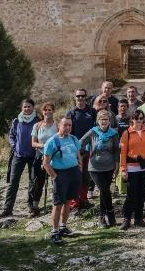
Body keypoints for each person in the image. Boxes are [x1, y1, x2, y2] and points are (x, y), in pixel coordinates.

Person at [42, 116, 82, 244]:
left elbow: (78, 154)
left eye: (69, 125)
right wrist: (55, 177)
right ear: (59, 125)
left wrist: (79, 167)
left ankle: (63, 227)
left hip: (73, 172)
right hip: (60, 174)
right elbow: (46, 163)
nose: (67, 128)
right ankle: (54, 231)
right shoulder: (51, 141)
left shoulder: (74, 139)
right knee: (58, 204)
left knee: (68, 201)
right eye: (65, 125)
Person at [1, 99, 42, 218]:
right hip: (18, 156)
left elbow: (41, 137)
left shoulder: (38, 121)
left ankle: (31, 207)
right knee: (13, 183)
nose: (27, 109)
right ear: (21, 108)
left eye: (29, 107)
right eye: (24, 107)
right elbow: (11, 136)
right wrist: (15, 147)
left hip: (33, 156)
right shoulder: (16, 121)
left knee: (32, 182)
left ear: (33, 107)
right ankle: (7, 209)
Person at [79, 110, 120, 228]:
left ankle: (101, 217)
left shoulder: (113, 134)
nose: (104, 121)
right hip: (94, 168)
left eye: (106, 119)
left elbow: (117, 151)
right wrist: (80, 155)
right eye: (102, 119)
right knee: (105, 190)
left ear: (109, 121)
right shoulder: (93, 132)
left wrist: (117, 166)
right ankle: (110, 214)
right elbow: (80, 142)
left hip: (109, 167)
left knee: (104, 192)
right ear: (98, 121)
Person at [119, 110, 145, 230]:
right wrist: (123, 169)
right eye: (137, 118)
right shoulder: (127, 133)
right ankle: (127, 219)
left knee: (141, 193)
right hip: (132, 167)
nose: (140, 120)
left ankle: (138, 218)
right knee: (131, 194)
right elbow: (123, 153)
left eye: (141, 118)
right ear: (132, 119)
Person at [66, 88, 97, 210]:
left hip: (89, 149)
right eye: (78, 96)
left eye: (82, 96)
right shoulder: (71, 113)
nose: (80, 98)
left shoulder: (92, 111)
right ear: (75, 98)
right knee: (75, 176)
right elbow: (67, 131)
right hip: (74, 150)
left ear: (86, 97)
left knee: (85, 176)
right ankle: (74, 202)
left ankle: (84, 200)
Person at [30, 102, 57, 216]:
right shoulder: (37, 126)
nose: (47, 112)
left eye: (50, 110)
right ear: (42, 112)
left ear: (53, 111)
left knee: (54, 180)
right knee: (38, 182)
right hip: (40, 155)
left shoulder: (58, 125)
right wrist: (44, 146)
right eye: (45, 110)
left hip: (54, 156)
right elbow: (33, 143)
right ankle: (35, 206)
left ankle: (56, 204)